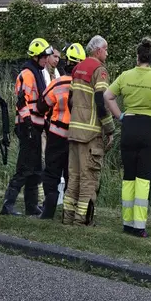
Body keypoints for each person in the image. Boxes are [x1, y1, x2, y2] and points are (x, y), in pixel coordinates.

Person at [104, 37, 151, 237]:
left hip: (130, 126)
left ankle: (127, 222)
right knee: (143, 177)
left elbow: (107, 96)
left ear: (137, 57)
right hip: (150, 128)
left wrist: (119, 115)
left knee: (128, 176)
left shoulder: (126, 76)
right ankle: (139, 226)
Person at [63, 35, 115, 226]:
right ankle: (81, 220)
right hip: (91, 135)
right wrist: (109, 128)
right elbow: (101, 102)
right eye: (106, 49)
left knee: (74, 177)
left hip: (75, 132)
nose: (107, 53)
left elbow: (70, 99)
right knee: (89, 180)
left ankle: (67, 217)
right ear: (98, 50)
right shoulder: (99, 71)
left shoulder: (77, 69)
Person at [0, 37, 53, 216]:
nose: (47, 60)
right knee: (24, 168)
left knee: (36, 169)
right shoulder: (27, 74)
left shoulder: (37, 73)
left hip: (36, 127)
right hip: (28, 127)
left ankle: (31, 206)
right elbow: (22, 102)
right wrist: (29, 124)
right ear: (36, 57)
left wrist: (44, 122)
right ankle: (8, 206)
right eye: (44, 57)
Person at [35, 42, 85, 219]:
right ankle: (69, 213)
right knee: (72, 175)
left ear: (67, 63)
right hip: (77, 137)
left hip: (56, 135)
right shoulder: (86, 87)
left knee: (51, 172)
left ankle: (49, 209)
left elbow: (42, 105)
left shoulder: (58, 83)